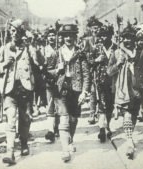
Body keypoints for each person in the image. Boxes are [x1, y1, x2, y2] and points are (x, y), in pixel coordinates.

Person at [107, 23, 143, 159]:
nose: (127, 40)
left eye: (130, 37)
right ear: (121, 38)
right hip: (122, 90)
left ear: (134, 38)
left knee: (133, 115)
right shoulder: (116, 53)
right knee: (127, 115)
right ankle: (129, 142)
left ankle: (130, 137)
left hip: (137, 90)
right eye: (125, 38)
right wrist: (118, 64)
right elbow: (109, 71)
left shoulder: (142, 51)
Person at [0, 19, 35, 165]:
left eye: (17, 31)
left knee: (25, 118)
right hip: (10, 90)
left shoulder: (27, 48)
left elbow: (37, 63)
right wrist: (5, 64)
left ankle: (24, 143)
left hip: (25, 89)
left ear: (21, 32)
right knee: (10, 118)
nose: (14, 34)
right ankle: (10, 151)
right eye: (12, 31)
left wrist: (31, 47)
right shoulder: (4, 49)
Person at [55, 24, 91, 162]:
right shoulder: (57, 53)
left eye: (71, 35)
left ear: (75, 37)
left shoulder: (80, 53)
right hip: (61, 89)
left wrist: (85, 92)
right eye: (66, 35)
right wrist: (57, 70)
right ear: (62, 37)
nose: (68, 38)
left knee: (73, 119)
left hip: (76, 89)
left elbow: (86, 74)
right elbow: (48, 71)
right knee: (64, 118)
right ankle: (65, 150)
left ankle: (71, 140)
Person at [92, 24, 116, 142]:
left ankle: (107, 125)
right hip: (100, 80)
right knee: (102, 104)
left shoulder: (116, 48)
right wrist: (97, 60)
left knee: (110, 105)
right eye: (102, 35)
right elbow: (89, 63)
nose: (103, 38)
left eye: (106, 35)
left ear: (111, 36)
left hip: (113, 81)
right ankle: (102, 128)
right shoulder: (97, 48)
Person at [42, 26, 60, 142]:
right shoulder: (44, 50)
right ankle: (50, 130)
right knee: (50, 105)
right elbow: (41, 66)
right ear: (47, 38)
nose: (52, 37)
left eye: (53, 35)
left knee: (59, 104)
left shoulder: (60, 49)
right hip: (48, 79)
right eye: (49, 36)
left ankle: (57, 127)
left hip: (60, 79)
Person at [85, 16, 103, 125]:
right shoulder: (87, 41)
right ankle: (92, 113)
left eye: (97, 28)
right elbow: (85, 56)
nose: (95, 30)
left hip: (102, 70)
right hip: (92, 70)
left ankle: (101, 111)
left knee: (101, 92)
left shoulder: (103, 39)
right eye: (93, 28)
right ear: (90, 29)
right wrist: (95, 60)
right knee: (92, 92)